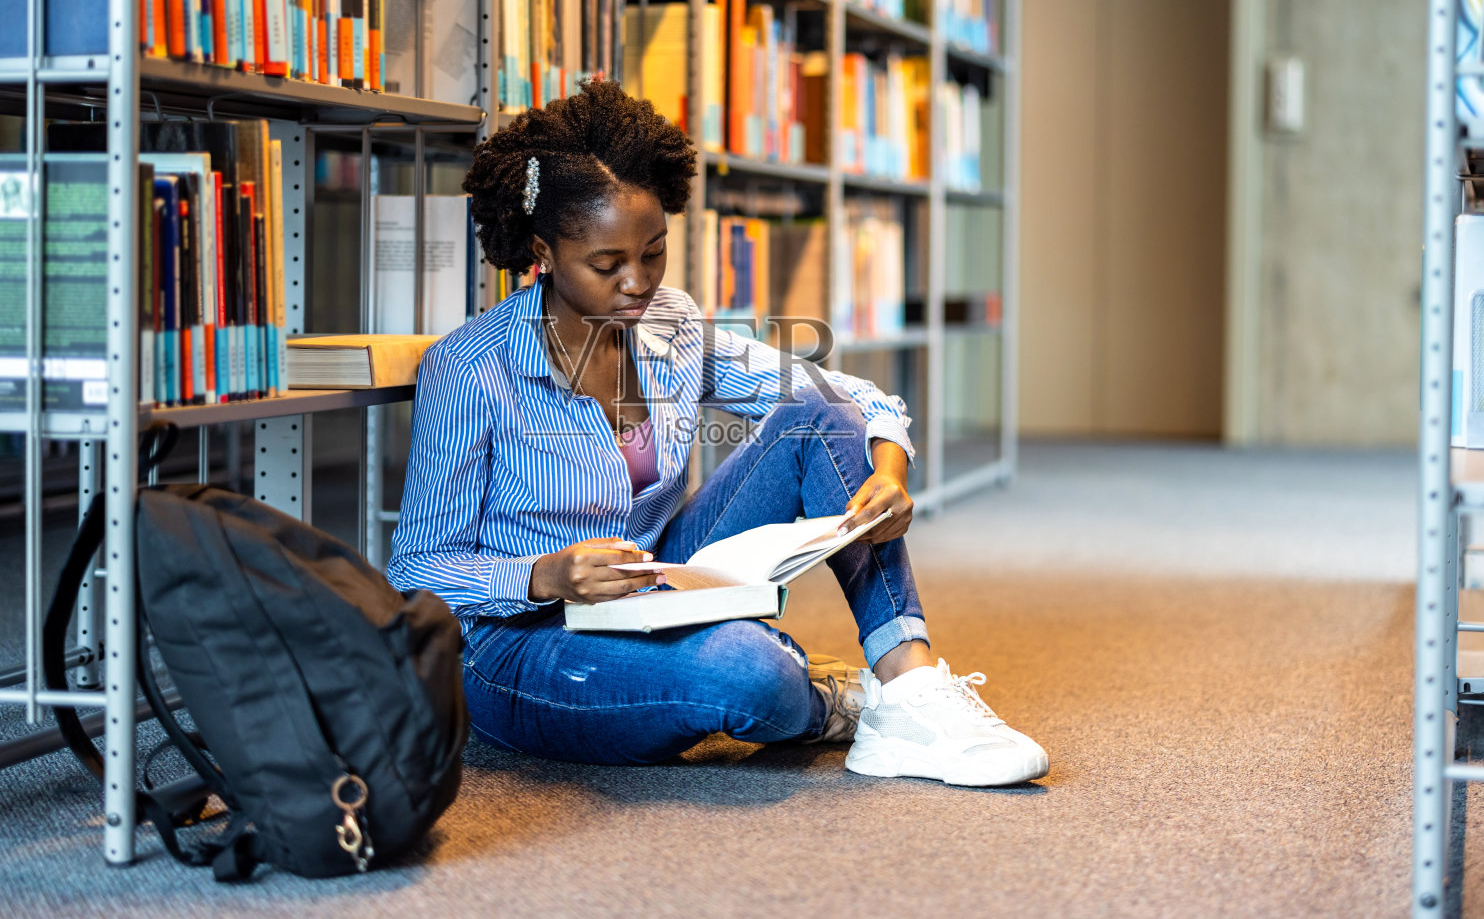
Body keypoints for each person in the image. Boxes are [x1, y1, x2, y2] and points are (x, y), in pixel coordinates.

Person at [388, 80, 1047, 787]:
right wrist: (544, 573)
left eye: (654, 252)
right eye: (608, 264)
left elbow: (843, 398)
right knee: (748, 673)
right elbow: (417, 568)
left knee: (818, 420)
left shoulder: (669, 322)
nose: (638, 282)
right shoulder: (469, 368)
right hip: (520, 645)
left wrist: (888, 467)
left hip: (656, 577)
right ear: (544, 250)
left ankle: (910, 688)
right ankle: (829, 696)